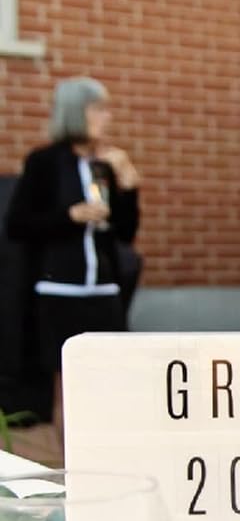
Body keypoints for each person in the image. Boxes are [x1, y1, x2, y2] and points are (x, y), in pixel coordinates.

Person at [4, 77, 140, 435]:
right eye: (99, 109)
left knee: (110, 383)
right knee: (67, 388)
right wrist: (70, 216)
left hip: (104, 291)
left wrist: (129, 188)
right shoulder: (45, 162)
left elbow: (125, 233)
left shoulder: (104, 165)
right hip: (60, 292)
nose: (107, 117)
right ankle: (69, 463)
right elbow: (18, 225)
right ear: (76, 113)